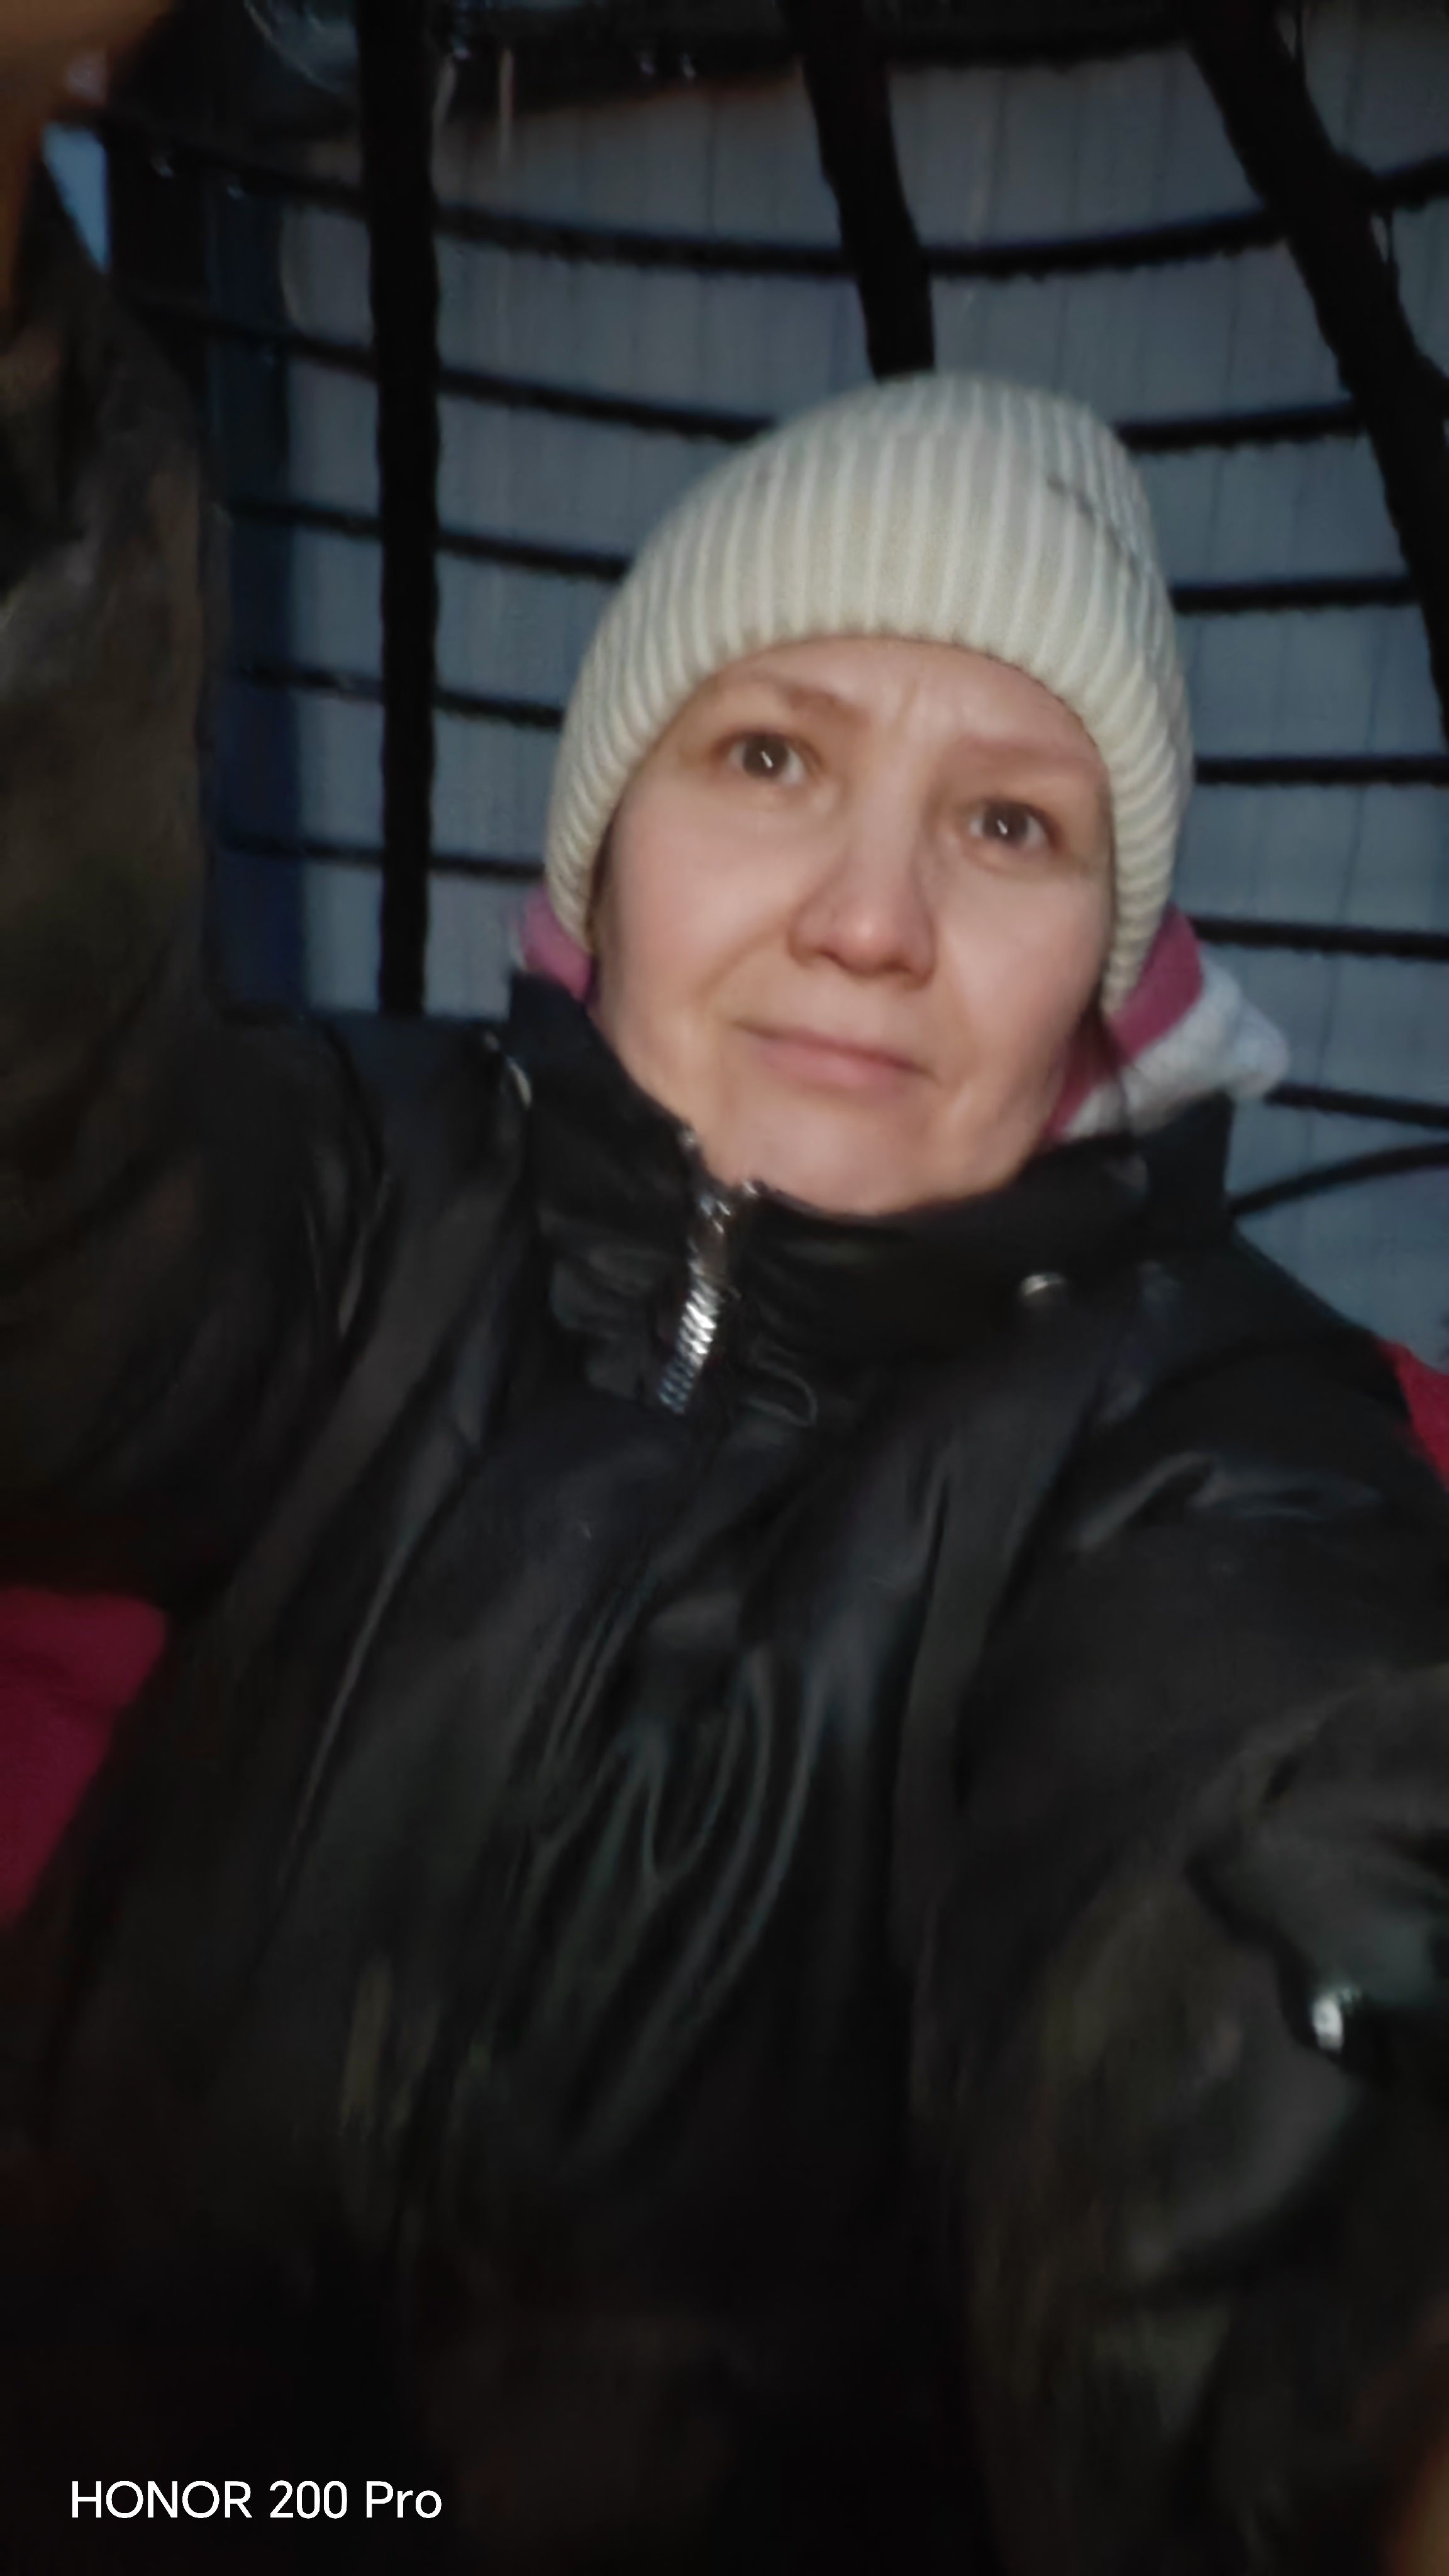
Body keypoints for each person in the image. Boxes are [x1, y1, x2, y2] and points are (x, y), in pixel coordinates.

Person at [5, 12, 1449, 2572]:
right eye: (770, 756)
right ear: (608, 854)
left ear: (1107, 980)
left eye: (1010, 826)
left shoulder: (1206, 1437)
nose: (870, 920)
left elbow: (1272, 1883)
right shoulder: (372, 1184)